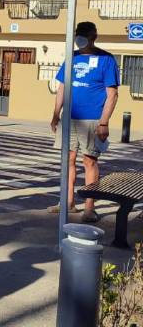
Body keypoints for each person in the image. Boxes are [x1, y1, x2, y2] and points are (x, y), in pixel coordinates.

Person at [50, 21, 119, 223]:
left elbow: (112, 94)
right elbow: (62, 88)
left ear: (94, 36)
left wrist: (104, 122)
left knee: (89, 161)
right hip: (70, 118)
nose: (80, 37)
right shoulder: (72, 57)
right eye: (78, 33)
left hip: (92, 119)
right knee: (68, 160)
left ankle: (90, 207)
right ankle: (68, 203)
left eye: (84, 34)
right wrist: (55, 114)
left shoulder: (106, 59)